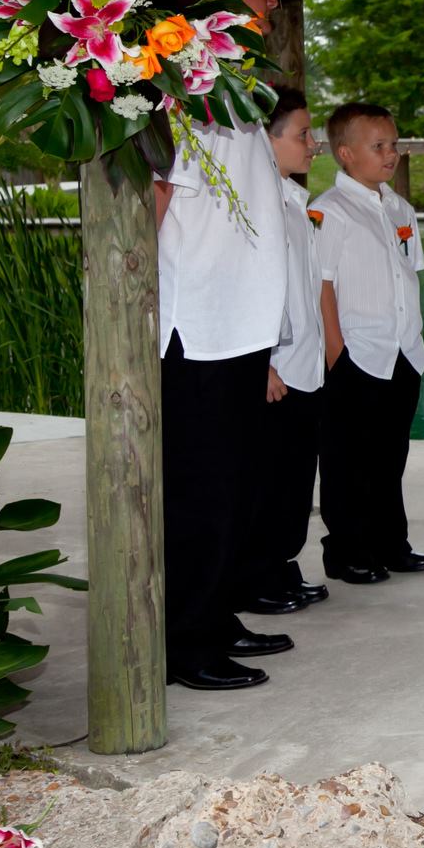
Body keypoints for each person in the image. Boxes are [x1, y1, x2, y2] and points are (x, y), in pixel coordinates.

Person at [155, 86, 295, 691]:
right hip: (199, 328)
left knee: (238, 490)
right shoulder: (177, 96)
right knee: (200, 496)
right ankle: (185, 642)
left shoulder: (239, 97)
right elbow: (158, 195)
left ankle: (214, 616)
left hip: (242, 327)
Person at [312, 103, 424, 586]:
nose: (391, 154)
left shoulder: (400, 209)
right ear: (346, 154)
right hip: (357, 354)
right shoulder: (328, 211)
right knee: (348, 460)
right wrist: (336, 354)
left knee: (390, 456)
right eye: (378, 146)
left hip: (401, 352)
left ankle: (390, 543)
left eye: (394, 144)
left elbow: (408, 273)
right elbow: (320, 285)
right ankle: (347, 551)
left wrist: (414, 341)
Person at [240, 86, 331, 616]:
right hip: (276, 369)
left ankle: (281, 564)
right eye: (303, 134)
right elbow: (250, 285)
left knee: (297, 478)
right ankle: (256, 576)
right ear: (265, 138)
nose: (312, 144)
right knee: (268, 480)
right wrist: (264, 362)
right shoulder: (256, 203)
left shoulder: (295, 201)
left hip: (306, 366)